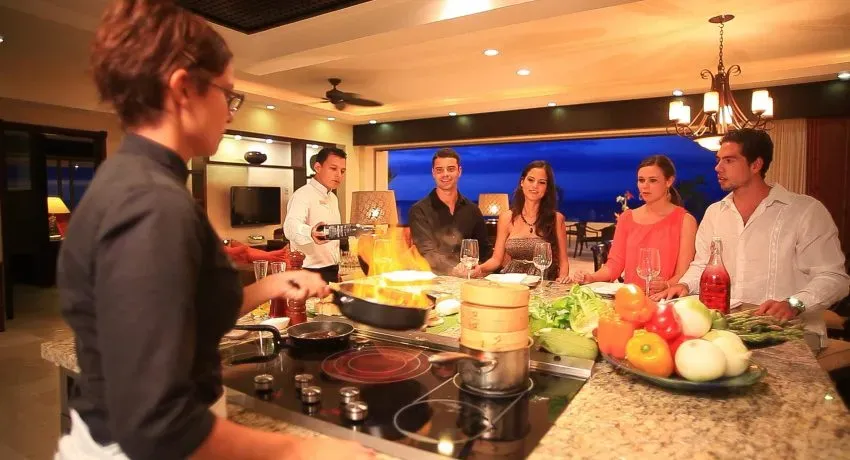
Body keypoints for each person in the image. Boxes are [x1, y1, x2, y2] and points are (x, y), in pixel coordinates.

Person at [55, 1, 373, 458]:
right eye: (228, 94)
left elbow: (181, 317)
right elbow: (155, 424)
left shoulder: (137, 181)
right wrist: (301, 452)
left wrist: (271, 287)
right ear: (184, 89)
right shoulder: (151, 206)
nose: (230, 112)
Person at [656, 129, 849, 351]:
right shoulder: (715, 213)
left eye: (729, 160)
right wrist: (683, 285)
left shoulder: (806, 211)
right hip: (730, 331)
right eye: (718, 160)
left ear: (756, 165)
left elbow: (834, 277)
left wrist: (794, 304)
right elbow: (702, 265)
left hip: (791, 332)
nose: (717, 168)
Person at [574, 155, 697, 293]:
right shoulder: (627, 218)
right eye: (641, 180)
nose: (645, 186)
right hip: (630, 300)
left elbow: (683, 273)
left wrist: (666, 286)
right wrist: (591, 277)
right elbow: (615, 264)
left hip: (667, 302)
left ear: (669, 181)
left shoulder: (685, 220)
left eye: (653, 180)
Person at [473, 161, 570, 282]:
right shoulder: (506, 217)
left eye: (542, 182)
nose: (535, 186)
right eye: (531, 180)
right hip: (511, 283)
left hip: (543, 283)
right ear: (522, 182)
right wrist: (479, 269)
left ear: (547, 188)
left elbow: (563, 262)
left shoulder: (556, 219)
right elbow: (496, 260)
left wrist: (562, 278)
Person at [408, 148, 492, 275]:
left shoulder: (472, 210)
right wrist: (453, 270)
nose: (445, 174)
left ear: (459, 171)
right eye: (439, 170)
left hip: (469, 279)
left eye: (451, 169)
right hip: (433, 281)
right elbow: (427, 252)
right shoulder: (419, 210)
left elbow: (484, 250)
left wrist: (478, 269)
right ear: (433, 173)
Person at [284, 147, 347, 283]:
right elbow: (290, 227)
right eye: (333, 168)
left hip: (331, 270)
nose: (339, 175)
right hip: (309, 272)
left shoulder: (333, 198)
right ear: (318, 167)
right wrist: (310, 232)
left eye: (342, 171)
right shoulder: (302, 195)